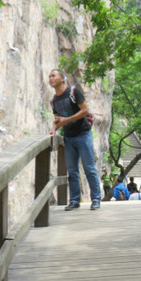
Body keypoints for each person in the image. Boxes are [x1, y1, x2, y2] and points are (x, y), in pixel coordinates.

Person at [48, 69, 102, 211]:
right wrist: (54, 128)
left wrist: (67, 119)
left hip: (83, 134)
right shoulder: (54, 100)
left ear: (62, 78)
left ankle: (96, 199)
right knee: (72, 171)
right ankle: (74, 200)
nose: (50, 78)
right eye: (49, 76)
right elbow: (58, 118)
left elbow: (84, 110)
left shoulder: (73, 92)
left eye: (53, 76)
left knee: (89, 168)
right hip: (68, 137)